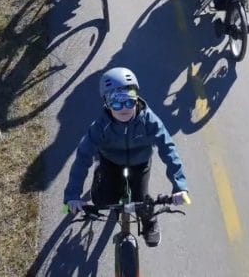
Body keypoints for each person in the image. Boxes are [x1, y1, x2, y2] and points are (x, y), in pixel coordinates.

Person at [64, 67, 190, 248]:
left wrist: (179, 186)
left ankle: (149, 223)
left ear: (136, 98)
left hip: (140, 164)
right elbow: (82, 158)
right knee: (102, 201)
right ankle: (99, 177)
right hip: (110, 163)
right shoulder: (99, 127)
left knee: (143, 202)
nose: (123, 108)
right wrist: (72, 195)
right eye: (115, 103)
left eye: (129, 101)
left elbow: (168, 148)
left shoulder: (149, 120)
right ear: (106, 103)